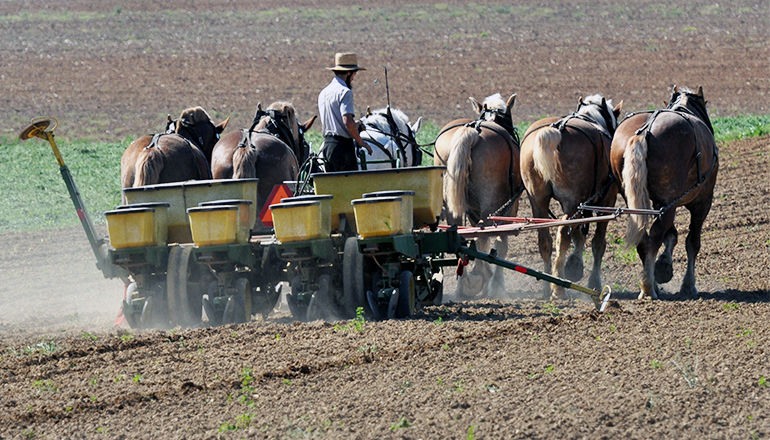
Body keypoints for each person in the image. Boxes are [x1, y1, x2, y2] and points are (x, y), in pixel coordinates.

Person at [318, 52, 372, 172]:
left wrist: (355, 124)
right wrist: (360, 141)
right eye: (354, 74)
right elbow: (347, 122)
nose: (353, 78)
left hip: (327, 146)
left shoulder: (324, 93)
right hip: (342, 148)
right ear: (348, 73)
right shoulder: (345, 92)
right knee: (349, 187)